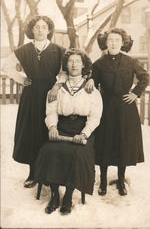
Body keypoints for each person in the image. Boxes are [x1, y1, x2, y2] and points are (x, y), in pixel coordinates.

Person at [34, 48, 103, 215]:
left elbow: (95, 117)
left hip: (81, 130)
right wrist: (52, 127)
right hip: (62, 128)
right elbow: (50, 111)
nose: (74, 64)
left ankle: (69, 196)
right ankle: (55, 195)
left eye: (78, 61)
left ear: (83, 65)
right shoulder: (57, 88)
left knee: (78, 154)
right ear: (66, 64)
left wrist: (84, 133)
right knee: (49, 150)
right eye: (70, 61)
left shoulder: (90, 88)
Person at [2, 15, 66, 188]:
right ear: (32, 30)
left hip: (51, 95)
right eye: (37, 27)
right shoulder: (24, 50)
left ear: (49, 30)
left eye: (44, 27)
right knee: (31, 132)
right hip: (31, 95)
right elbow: (6, 66)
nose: (40, 30)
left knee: (49, 130)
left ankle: (48, 173)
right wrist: (22, 80)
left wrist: (57, 85)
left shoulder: (58, 50)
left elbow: (65, 70)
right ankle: (33, 173)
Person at [86, 28, 149, 196]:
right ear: (106, 43)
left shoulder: (131, 61)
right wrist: (91, 79)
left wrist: (135, 93)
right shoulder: (99, 63)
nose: (113, 43)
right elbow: (92, 78)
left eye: (117, 40)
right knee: (104, 143)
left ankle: (121, 181)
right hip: (105, 107)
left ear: (123, 43)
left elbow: (145, 77)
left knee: (123, 142)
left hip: (125, 108)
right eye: (110, 40)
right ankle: (103, 181)